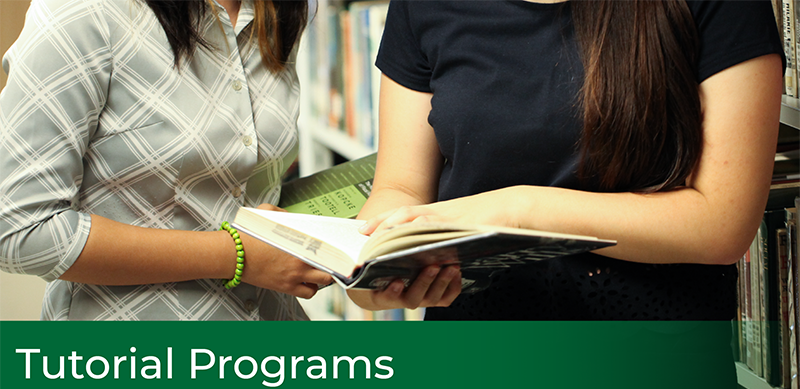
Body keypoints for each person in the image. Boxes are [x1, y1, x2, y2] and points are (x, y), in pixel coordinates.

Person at [349, 1, 783, 320]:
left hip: (648, 359)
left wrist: (517, 211)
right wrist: (367, 271)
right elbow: (400, 187)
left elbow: (723, 223)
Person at [0, 0, 333, 320]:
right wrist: (235, 256)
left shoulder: (279, 11)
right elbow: (19, 229)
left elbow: (244, 185)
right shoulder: (84, 10)